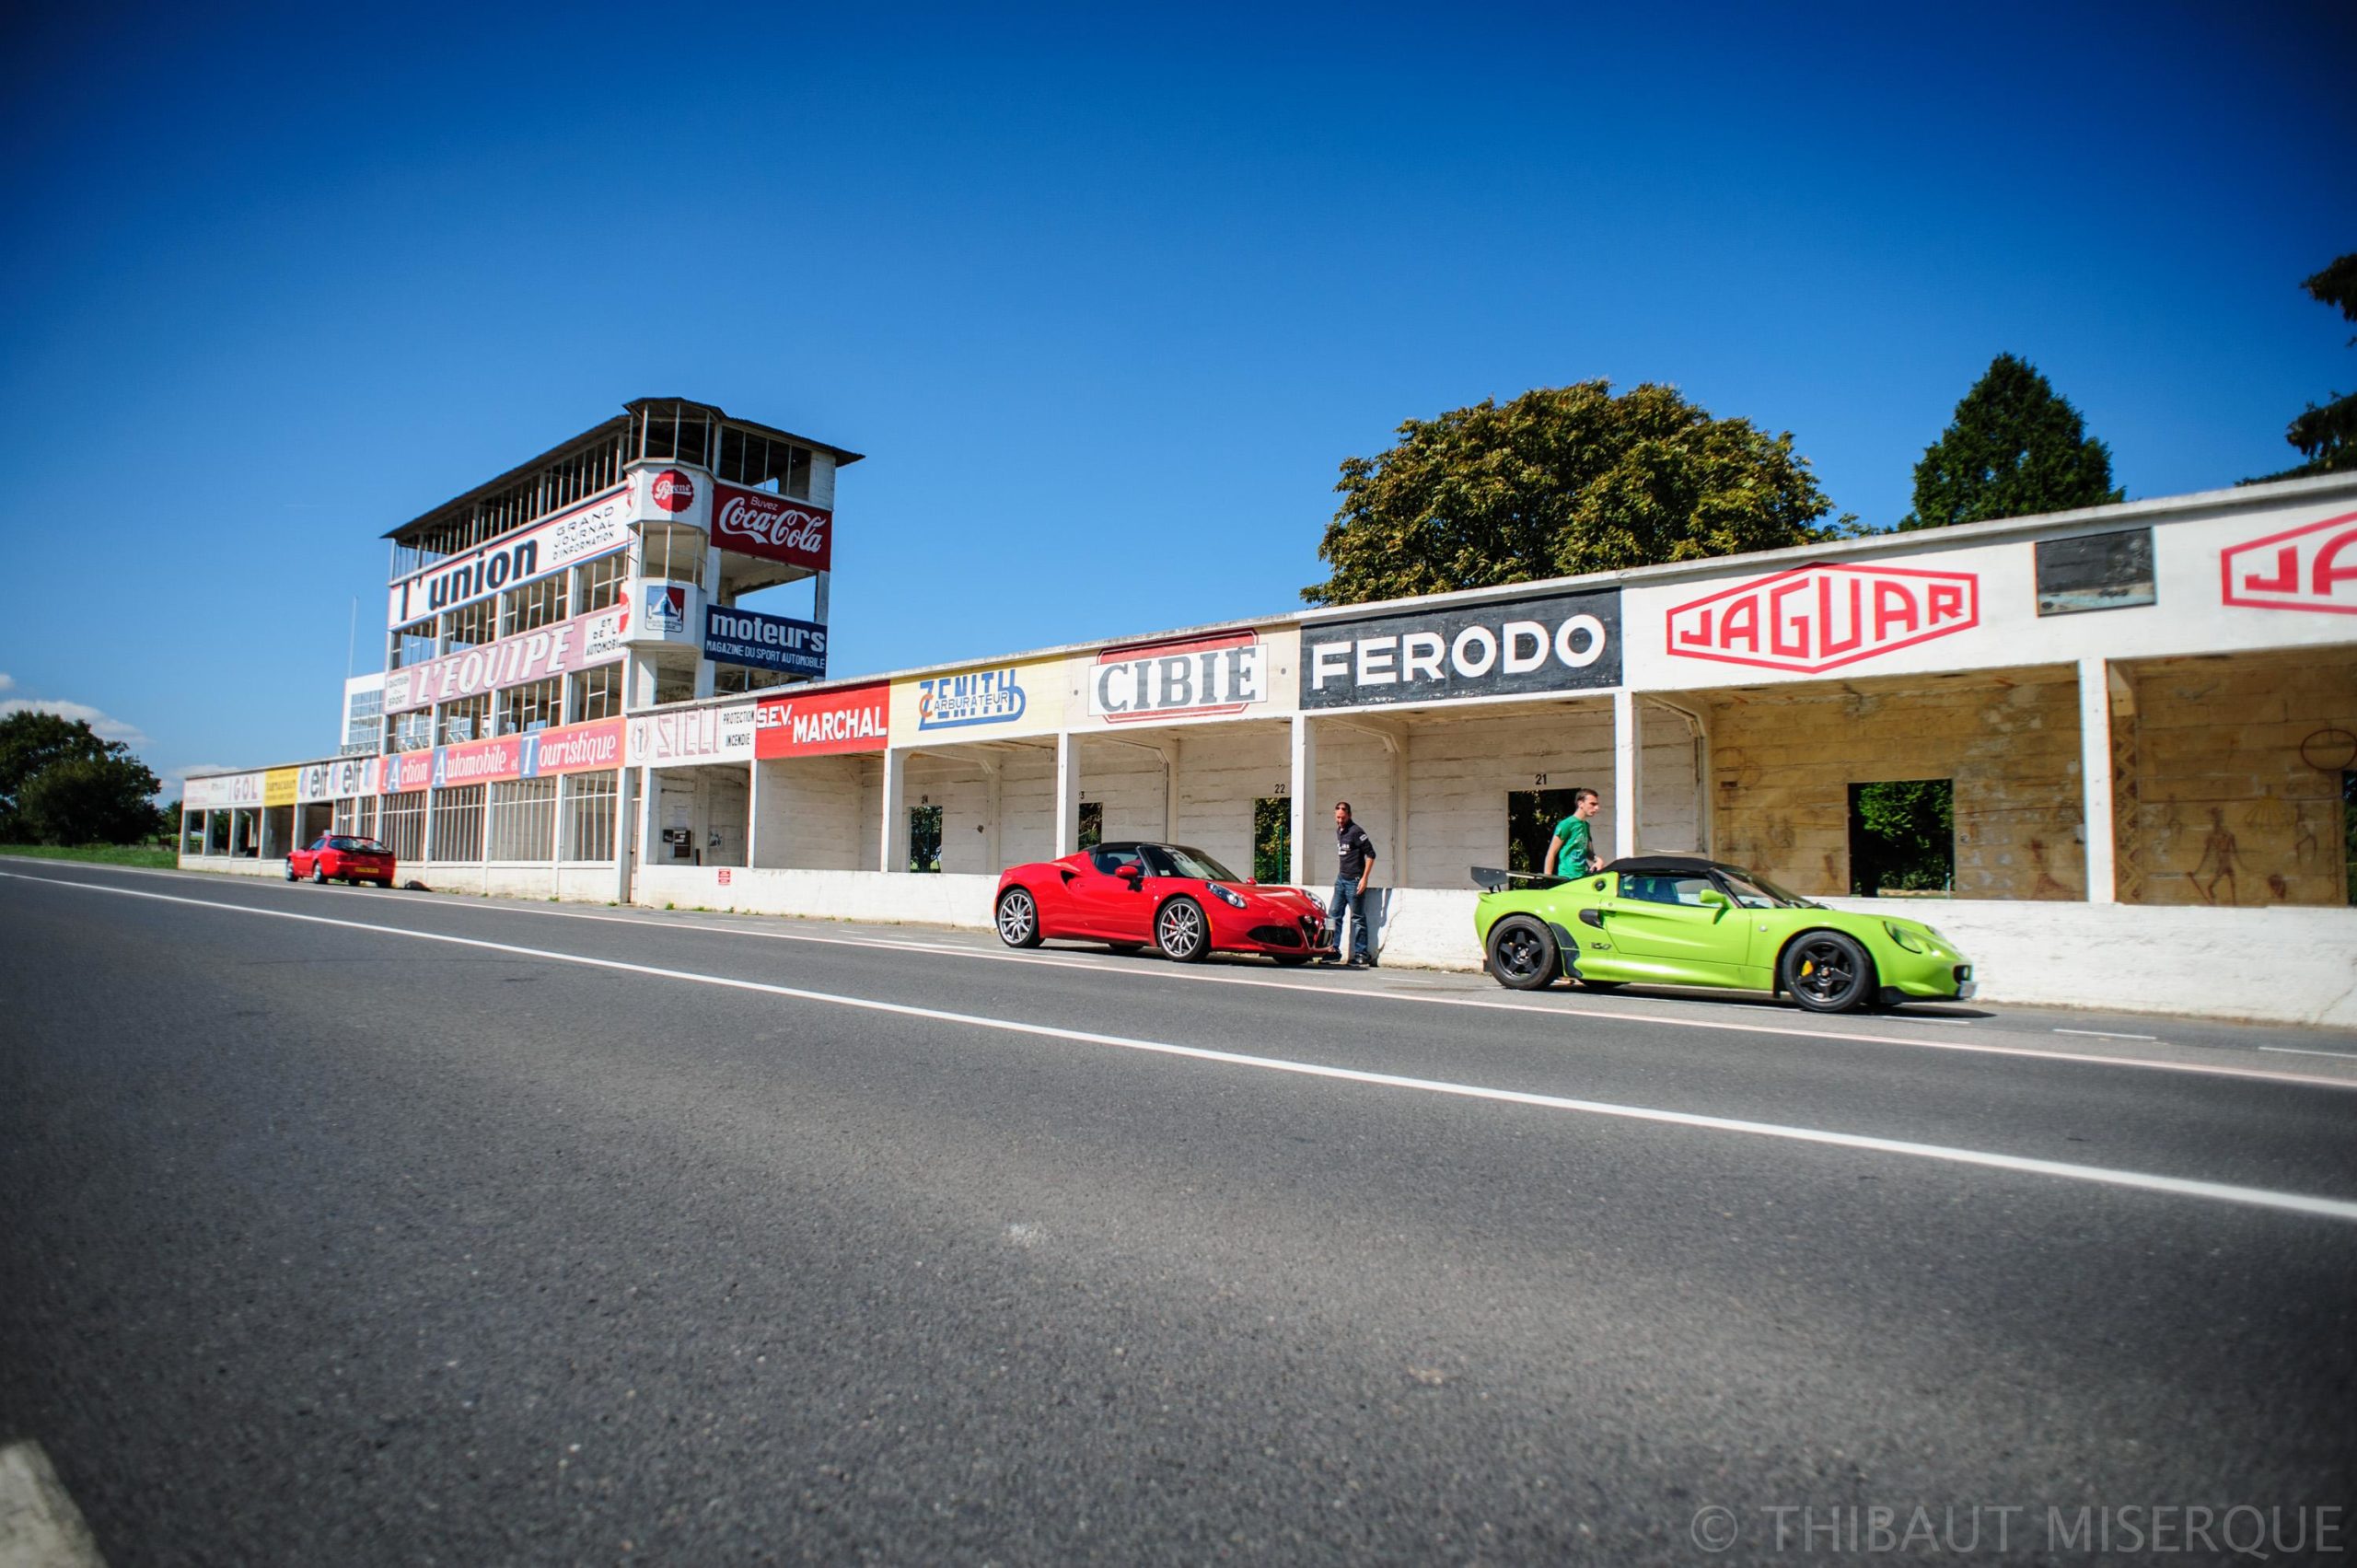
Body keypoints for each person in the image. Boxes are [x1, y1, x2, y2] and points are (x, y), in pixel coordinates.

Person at [1325, 801, 1378, 967]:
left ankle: (1361, 954)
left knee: (1357, 918)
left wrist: (1364, 878)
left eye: (1342, 817)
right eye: (1337, 817)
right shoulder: (1339, 831)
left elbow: (1371, 854)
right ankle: (1332, 950)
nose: (1340, 820)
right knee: (1333, 915)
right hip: (1341, 879)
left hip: (1354, 881)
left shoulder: (1356, 831)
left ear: (1349, 815)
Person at [1543, 787, 1602, 877]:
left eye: (1597, 804)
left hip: (1582, 876)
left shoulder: (1586, 825)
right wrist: (1547, 878)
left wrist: (1598, 860)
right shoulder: (1567, 824)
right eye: (1592, 804)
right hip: (1567, 877)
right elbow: (1551, 852)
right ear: (1580, 803)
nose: (1597, 808)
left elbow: (1587, 852)